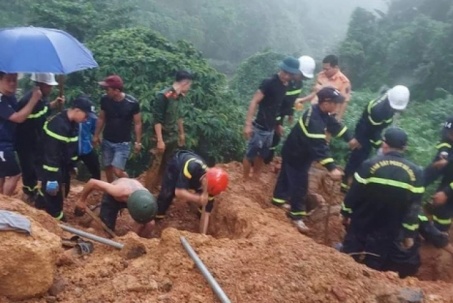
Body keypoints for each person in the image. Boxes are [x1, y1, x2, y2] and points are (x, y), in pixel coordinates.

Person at [340, 127, 424, 278]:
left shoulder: (369, 164)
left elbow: (354, 193)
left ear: (385, 144)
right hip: (389, 228)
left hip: (361, 222)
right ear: (404, 148)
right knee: (375, 262)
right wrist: (409, 234)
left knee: (348, 257)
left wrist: (345, 213)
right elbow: (413, 208)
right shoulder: (415, 173)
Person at [272, 87, 355, 233]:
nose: (337, 106)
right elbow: (319, 147)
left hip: (296, 151)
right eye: (335, 103)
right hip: (296, 154)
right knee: (300, 184)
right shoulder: (315, 120)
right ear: (326, 102)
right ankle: (296, 216)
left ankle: (278, 201)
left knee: (286, 176)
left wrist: (350, 138)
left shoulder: (322, 112)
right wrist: (332, 168)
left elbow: (334, 125)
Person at [341, 85, 410, 192]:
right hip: (365, 131)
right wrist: (379, 144)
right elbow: (372, 130)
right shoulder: (378, 110)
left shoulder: (393, 97)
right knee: (358, 157)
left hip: (375, 129)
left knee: (364, 156)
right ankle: (346, 182)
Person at [243, 56, 300, 180]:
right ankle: (245, 179)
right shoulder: (269, 82)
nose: (286, 76)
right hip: (259, 126)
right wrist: (248, 125)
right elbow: (254, 101)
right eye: (285, 72)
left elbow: (278, 107)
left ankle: (256, 177)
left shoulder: (287, 85)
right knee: (250, 154)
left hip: (270, 128)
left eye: (289, 74)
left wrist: (278, 124)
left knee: (263, 154)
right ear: (281, 68)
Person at [37, 97, 93, 220]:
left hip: (63, 164)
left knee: (64, 189)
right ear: (77, 110)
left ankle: (40, 204)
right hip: (50, 165)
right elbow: (51, 154)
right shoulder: (57, 126)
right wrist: (52, 177)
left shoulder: (74, 125)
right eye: (86, 115)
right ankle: (57, 219)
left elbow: (71, 147)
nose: (86, 118)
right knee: (54, 194)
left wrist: (73, 164)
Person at [154, 150, 228, 234]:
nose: (207, 192)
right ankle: (156, 218)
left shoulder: (211, 187)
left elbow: (206, 213)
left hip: (195, 179)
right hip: (176, 165)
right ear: (205, 179)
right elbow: (178, 192)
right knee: (167, 194)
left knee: (203, 209)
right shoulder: (191, 166)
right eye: (206, 189)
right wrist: (198, 199)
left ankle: (198, 219)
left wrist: (203, 236)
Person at [16, 73, 64, 202]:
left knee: (36, 167)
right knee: (29, 169)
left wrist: (54, 104)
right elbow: (27, 120)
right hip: (26, 141)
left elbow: (43, 111)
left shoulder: (42, 98)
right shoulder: (28, 101)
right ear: (42, 85)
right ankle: (28, 194)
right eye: (49, 86)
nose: (51, 89)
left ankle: (33, 191)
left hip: (36, 140)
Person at [145, 70, 193, 191]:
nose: (189, 87)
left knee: (167, 165)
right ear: (185, 83)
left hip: (172, 137)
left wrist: (181, 134)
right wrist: (160, 141)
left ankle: (159, 189)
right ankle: (146, 192)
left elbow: (179, 116)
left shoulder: (179, 97)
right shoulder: (163, 96)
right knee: (154, 166)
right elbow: (157, 120)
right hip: (161, 137)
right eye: (189, 84)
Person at [264, 55, 316, 165]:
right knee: (266, 137)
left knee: (276, 138)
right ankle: (258, 161)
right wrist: (277, 123)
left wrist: (290, 113)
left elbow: (292, 100)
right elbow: (275, 104)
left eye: (304, 78)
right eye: (301, 76)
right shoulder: (283, 82)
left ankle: (267, 161)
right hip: (269, 114)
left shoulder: (298, 84)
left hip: (280, 114)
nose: (302, 79)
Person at [93, 75, 142, 183]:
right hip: (107, 140)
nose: (105, 91)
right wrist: (96, 135)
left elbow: (137, 123)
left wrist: (138, 142)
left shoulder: (132, 103)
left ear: (116, 90)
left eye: (107, 89)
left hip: (123, 143)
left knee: (118, 171)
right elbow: (101, 118)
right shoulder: (105, 100)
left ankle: (130, 186)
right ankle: (111, 190)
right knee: (108, 168)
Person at [0, 72, 42, 196]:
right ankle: (4, 203)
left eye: (15, 79)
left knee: (1, 174)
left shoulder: (10, 97)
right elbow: (18, 117)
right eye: (9, 80)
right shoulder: (1, 99)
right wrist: (33, 99)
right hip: (2, 144)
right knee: (15, 174)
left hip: (7, 142)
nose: (13, 83)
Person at [75, 178, 157, 237]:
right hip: (112, 198)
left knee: (150, 224)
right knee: (106, 232)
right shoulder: (118, 191)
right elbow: (92, 182)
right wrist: (82, 200)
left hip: (133, 198)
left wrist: (135, 238)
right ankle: (99, 210)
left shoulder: (147, 200)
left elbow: (149, 221)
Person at [310, 55, 351, 120]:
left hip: (328, 115)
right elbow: (315, 92)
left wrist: (338, 118)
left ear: (336, 67)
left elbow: (344, 102)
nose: (324, 71)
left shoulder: (344, 81)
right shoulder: (321, 75)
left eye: (327, 69)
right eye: (323, 68)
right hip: (314, 110)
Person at [423, 115, 453, 187]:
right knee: (430, 172)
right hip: (448, 153)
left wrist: (449, 160)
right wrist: (444, 151)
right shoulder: (451, 119)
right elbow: (445, 139)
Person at [77, 98, 100, 180]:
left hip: (86, 148)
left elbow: (94, 131)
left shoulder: (92, 118)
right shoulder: (69, 118)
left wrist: (97, 139)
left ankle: (97, 187)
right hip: (72, 149)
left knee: (95, 167)